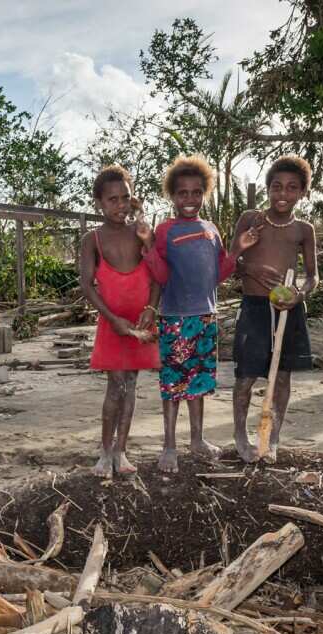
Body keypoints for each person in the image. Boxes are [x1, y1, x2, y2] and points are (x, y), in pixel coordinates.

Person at [143, 155, 255, 473]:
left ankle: (197, 439)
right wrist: (148, 250)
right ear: (173, 195)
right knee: (173, 384)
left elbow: (216, 275)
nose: (189, 199)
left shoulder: (211, 229)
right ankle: (169, 445)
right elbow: (161, 277)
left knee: (199, 382)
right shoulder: (165, 230)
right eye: (182, 193)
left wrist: (236, 251)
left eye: (196, 192)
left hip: (206, 316)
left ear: (205, 192)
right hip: (175, 319)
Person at [231, 155, 319, 463]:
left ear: (302, 193)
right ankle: (240, 434)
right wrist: (250, 270)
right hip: (255, 307)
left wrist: (299, 294)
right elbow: (230, 263)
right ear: (268, 189)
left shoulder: (303, 230)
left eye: (292, 188)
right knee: (245, 377)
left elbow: (313, 275)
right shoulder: (250, 219)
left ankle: (272, 437)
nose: (283, 194)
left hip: (288, 311)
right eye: (277, 187)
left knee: (282, 378)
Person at [79, 165, 161, 477]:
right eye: (112, 199)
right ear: (99, 202)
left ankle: (122, 451)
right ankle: (105, 452)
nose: (120, 205)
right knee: (115, 385)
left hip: (141, 321)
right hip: (112, 323)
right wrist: (112, 318)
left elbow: (157, 277)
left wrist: (151, 310)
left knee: (131, 384)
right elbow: (87, 284)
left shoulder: (141, 232)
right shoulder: (93, 240)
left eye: (125, 197)